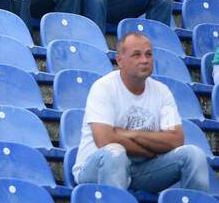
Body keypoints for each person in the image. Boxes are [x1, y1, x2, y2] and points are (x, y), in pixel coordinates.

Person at [72, 32, 209, 192]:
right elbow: (104, 139)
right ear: (119, 60)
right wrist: (150, 149)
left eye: (148, 54)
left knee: (194, 155)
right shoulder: (103, 87)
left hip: (141, 170)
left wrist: (131, 134)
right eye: (136, 55)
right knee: (116, 153)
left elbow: (176, 139)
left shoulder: (163, 92)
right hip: (98, 168)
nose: (144, 60)